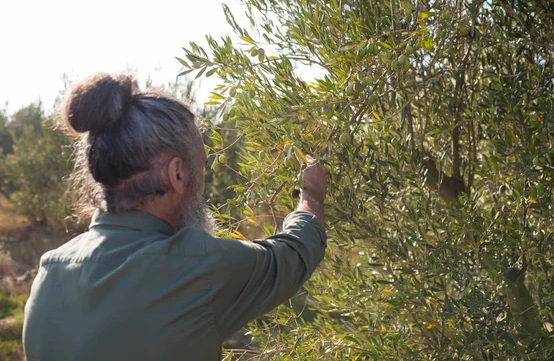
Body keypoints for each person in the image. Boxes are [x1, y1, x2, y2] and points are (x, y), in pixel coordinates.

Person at [22, 73, 328, 361]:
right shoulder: (196, 267)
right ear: (177, 174)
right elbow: (294, 252)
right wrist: (311, 194)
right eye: (202, 166)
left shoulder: (50, 274)